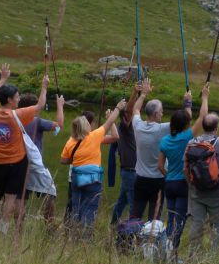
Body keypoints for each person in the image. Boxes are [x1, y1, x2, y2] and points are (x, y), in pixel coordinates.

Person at [0, 63, 47, 234]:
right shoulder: (17, 115)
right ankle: (3, 229)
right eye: (17, 96)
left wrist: (2, 79)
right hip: (15, 163)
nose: (19, 98)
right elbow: (40, 106)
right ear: (9, 100)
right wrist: (44, 87)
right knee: (10, 198)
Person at [157, 83, 209, 260]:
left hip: (169, 183)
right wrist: (204, 98)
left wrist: (187, 103)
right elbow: (203, 117)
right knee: (179, 220)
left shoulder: (165, 141)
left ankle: (165, 249)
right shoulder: (187, 137)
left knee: (170, 218)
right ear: (186, 124)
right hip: (182, 184)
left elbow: (160, 165)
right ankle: (172, 255)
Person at [60, 100, 126, 235]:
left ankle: (73, 234)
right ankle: (86, 237)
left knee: (76, 208)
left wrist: (78, 157)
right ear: (87, 126)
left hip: (76, 178)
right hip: (92, 179)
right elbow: (109, 125)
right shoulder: (94, 136)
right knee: (90, 207)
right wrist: (118, 108)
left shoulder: (71, 141)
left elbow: (63, 160)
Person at [130, 78, 190, 221]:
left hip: (140, 178)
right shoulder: (162, 129)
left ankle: (129, 237)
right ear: (156, 114)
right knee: (155, 216)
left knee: (135, 213)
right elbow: (186, 119)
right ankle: (151, 240)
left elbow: (136, 109)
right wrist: (187, 101)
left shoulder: (137, 126)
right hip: (158, 180)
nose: (162, 114)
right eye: (161, 112)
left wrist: (143, 94)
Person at [187, 112, 219, 256]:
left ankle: (193, 256)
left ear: (203, 126)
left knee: (197, 224)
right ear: (216, 127)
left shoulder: (192, 143)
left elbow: (186, 166)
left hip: (197, 191)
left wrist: (190, 184)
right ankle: (212, 257)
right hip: (217, 192)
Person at [17, 93, 65, 228]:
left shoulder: (14, 118)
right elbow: (59, 125)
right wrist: (60, 106)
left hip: (17, 163)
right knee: (50, 193)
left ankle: (18, 229)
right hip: (34, 165)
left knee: (20, 199)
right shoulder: (36, 121)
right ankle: (49, 227)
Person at [110, 85, 138, 225]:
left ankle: (113, 224)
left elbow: (132, 109)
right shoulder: (124, 126)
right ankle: (133, 229)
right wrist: (135, 92)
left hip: (130, 171)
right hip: (130, 172)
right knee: (133, 203)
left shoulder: (132, 126)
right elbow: (129, 109)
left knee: (122, 201)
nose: (132, 115)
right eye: (130, 114)